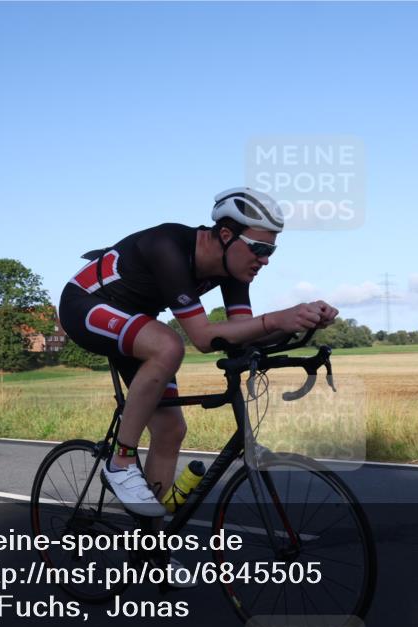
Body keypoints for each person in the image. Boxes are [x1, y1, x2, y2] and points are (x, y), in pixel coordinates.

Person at [58, 187, 339, 518]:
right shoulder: (168, 246)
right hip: (85, 305)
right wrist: (278, 317)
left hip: (135, 323)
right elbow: (204, 337)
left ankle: (153, 557)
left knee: (170, 429)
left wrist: (299, 323)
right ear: (224, 234)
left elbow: (240, 335)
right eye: (260, 249)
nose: (264, 260)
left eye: (271, 252)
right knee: (168, 344)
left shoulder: (233, 268)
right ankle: (120, 462)